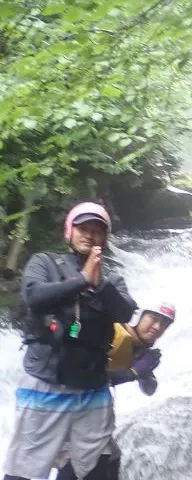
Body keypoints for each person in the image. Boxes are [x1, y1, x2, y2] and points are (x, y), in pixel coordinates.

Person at [3, 202, 137, 480]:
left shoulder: (112, 280)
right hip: (46, 384)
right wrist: (82, 280)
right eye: (82, 228)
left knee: (101, 464)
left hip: (92, 387)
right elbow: (34, 296)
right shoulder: (44, 263)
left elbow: (124, 311)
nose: (89, 235)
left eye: (97, 231)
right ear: (69, 232)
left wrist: (98, 283)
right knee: (26, 467)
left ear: (105, 239)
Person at [55, 302, 176, 480]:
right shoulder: (111, 332)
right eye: (154, 319)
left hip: (88, 410)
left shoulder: (141, 349)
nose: (158, 327)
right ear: (139, 316)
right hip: (63, 407)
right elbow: (87, 375)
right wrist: (134, 373)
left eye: (164, 324)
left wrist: (145, 373)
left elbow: (149, 389)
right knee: (80, 462)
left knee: (111, 458)